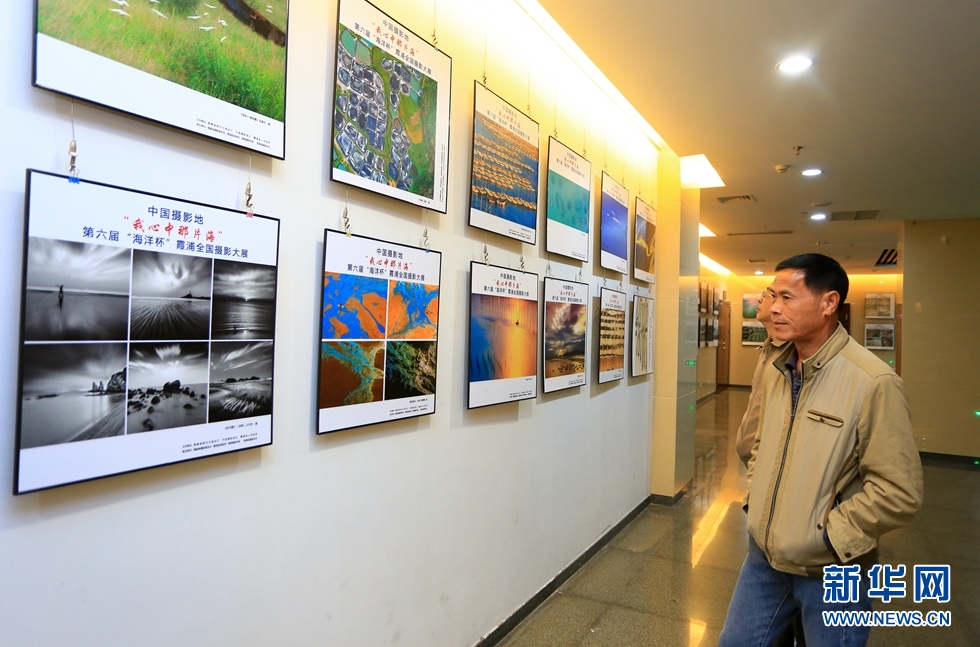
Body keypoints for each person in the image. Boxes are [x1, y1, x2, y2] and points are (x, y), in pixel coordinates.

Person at [719, 253, 923, 647]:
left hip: (831, 567)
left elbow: (900, 492)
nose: (775, 308)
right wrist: (760, 502)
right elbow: (760, 443)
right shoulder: (780, 366)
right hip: (765, 556)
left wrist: (827, 536)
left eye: (788, 298)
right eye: (772, 296)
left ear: (829, 303)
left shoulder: (872, 381)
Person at [734, 286, 785, 467]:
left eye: (767, 295)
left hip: (769, 463)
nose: (760, 300)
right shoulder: (767, 349)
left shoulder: (792, 356)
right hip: (754, 461)